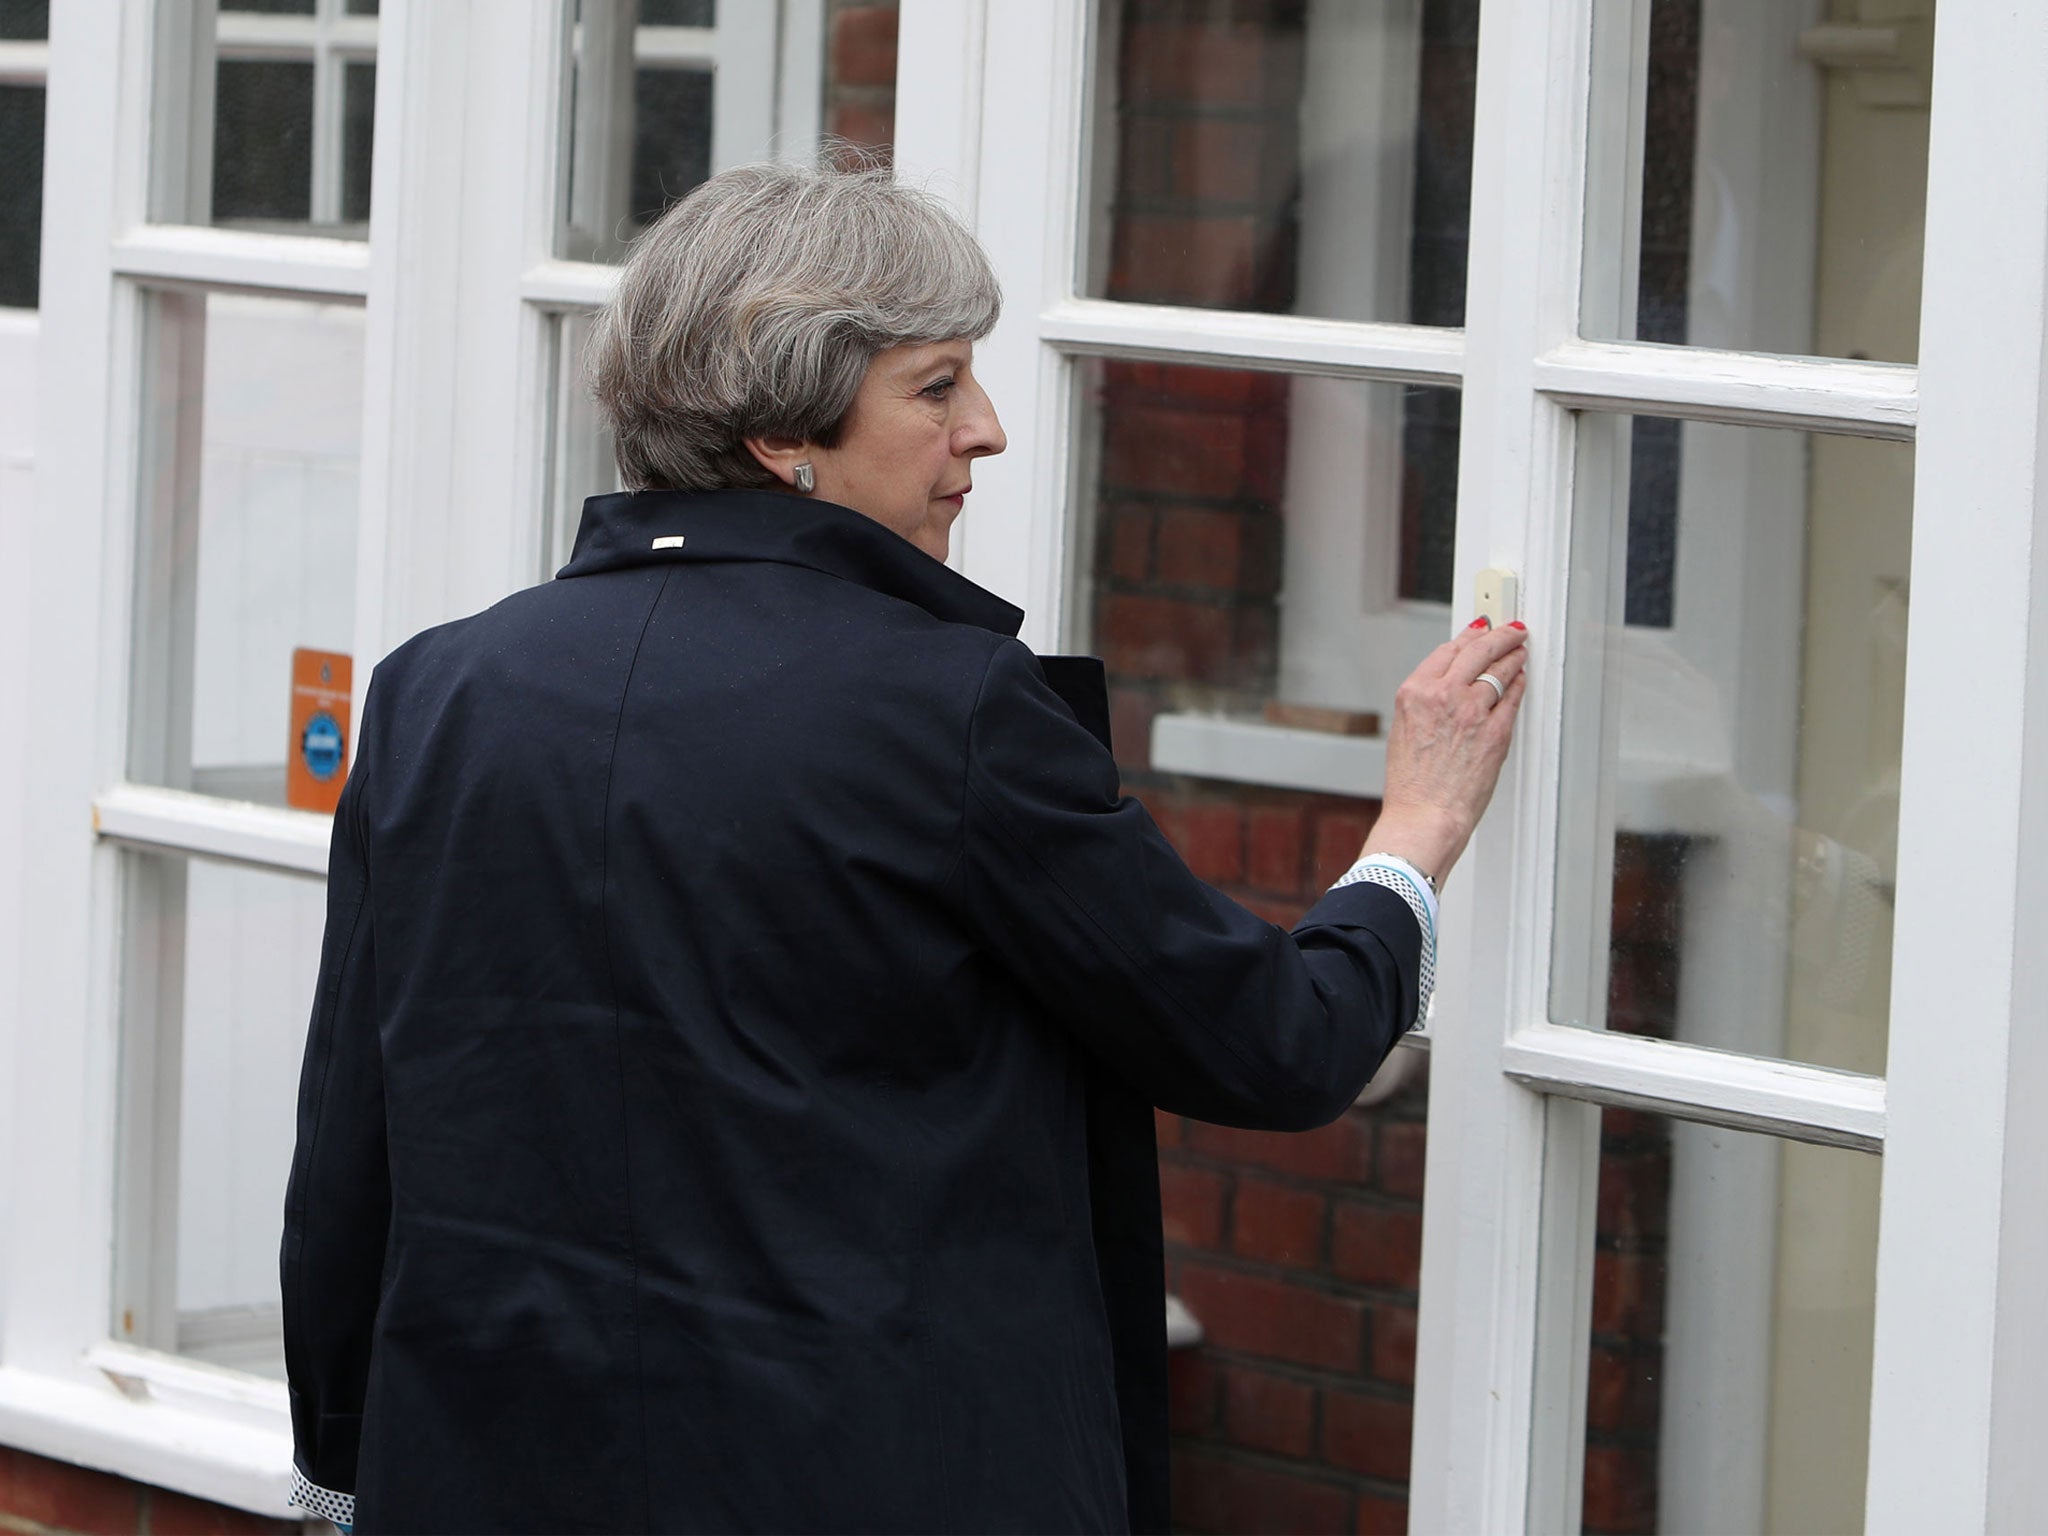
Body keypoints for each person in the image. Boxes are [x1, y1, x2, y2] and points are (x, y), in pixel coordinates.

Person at [281, 161, 1528, 1536]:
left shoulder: (438, 692)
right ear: (781, 431)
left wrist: (342, 1463)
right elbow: (1275, 1043)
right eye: (936, 388)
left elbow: (351, 1139)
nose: (984, 432)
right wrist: (1415, 831)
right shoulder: (950, 710)